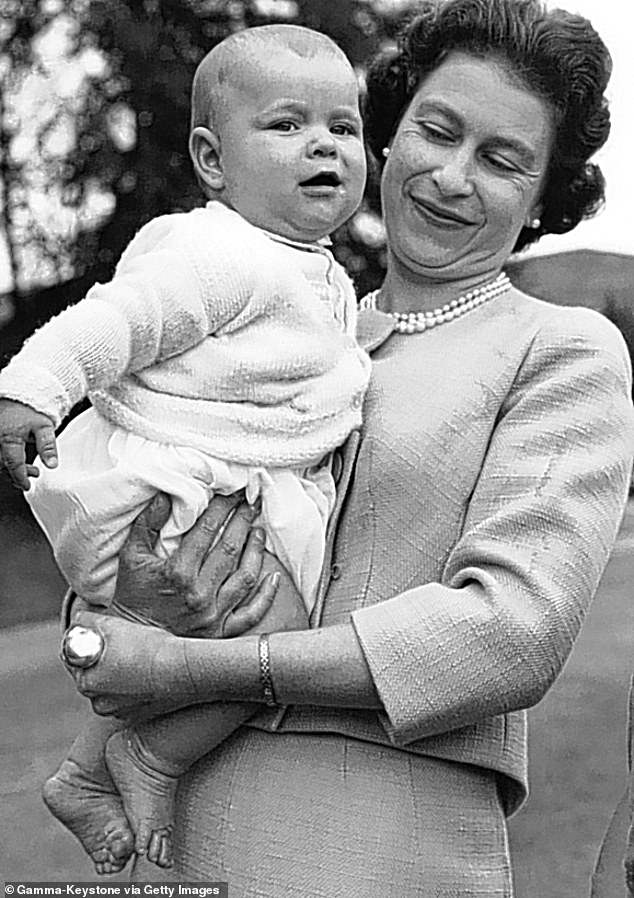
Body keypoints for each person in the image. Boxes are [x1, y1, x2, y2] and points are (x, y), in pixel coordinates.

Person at [59, 0, 634, 893]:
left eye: (502, 160)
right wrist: (123, 594)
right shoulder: (293, 324)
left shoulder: (561, 348)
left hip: (383, 831)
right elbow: (128, 480)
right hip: (181, 828)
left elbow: (510, 634)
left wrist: (192, 665)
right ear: (389, 138)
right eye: (435, 133)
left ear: (544, 195)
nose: (450, 176)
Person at [0, 25, 370, 874]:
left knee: (250, 636)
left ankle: (86, 771)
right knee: (274, 637)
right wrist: (33, 386)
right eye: (285, 125)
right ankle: (147, 758)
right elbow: (118, 320)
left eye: (342, 128)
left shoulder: (313, 268)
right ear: (211, 158)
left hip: (213, 493)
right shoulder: (218, 253)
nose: (322, 143)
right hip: (174, 488)